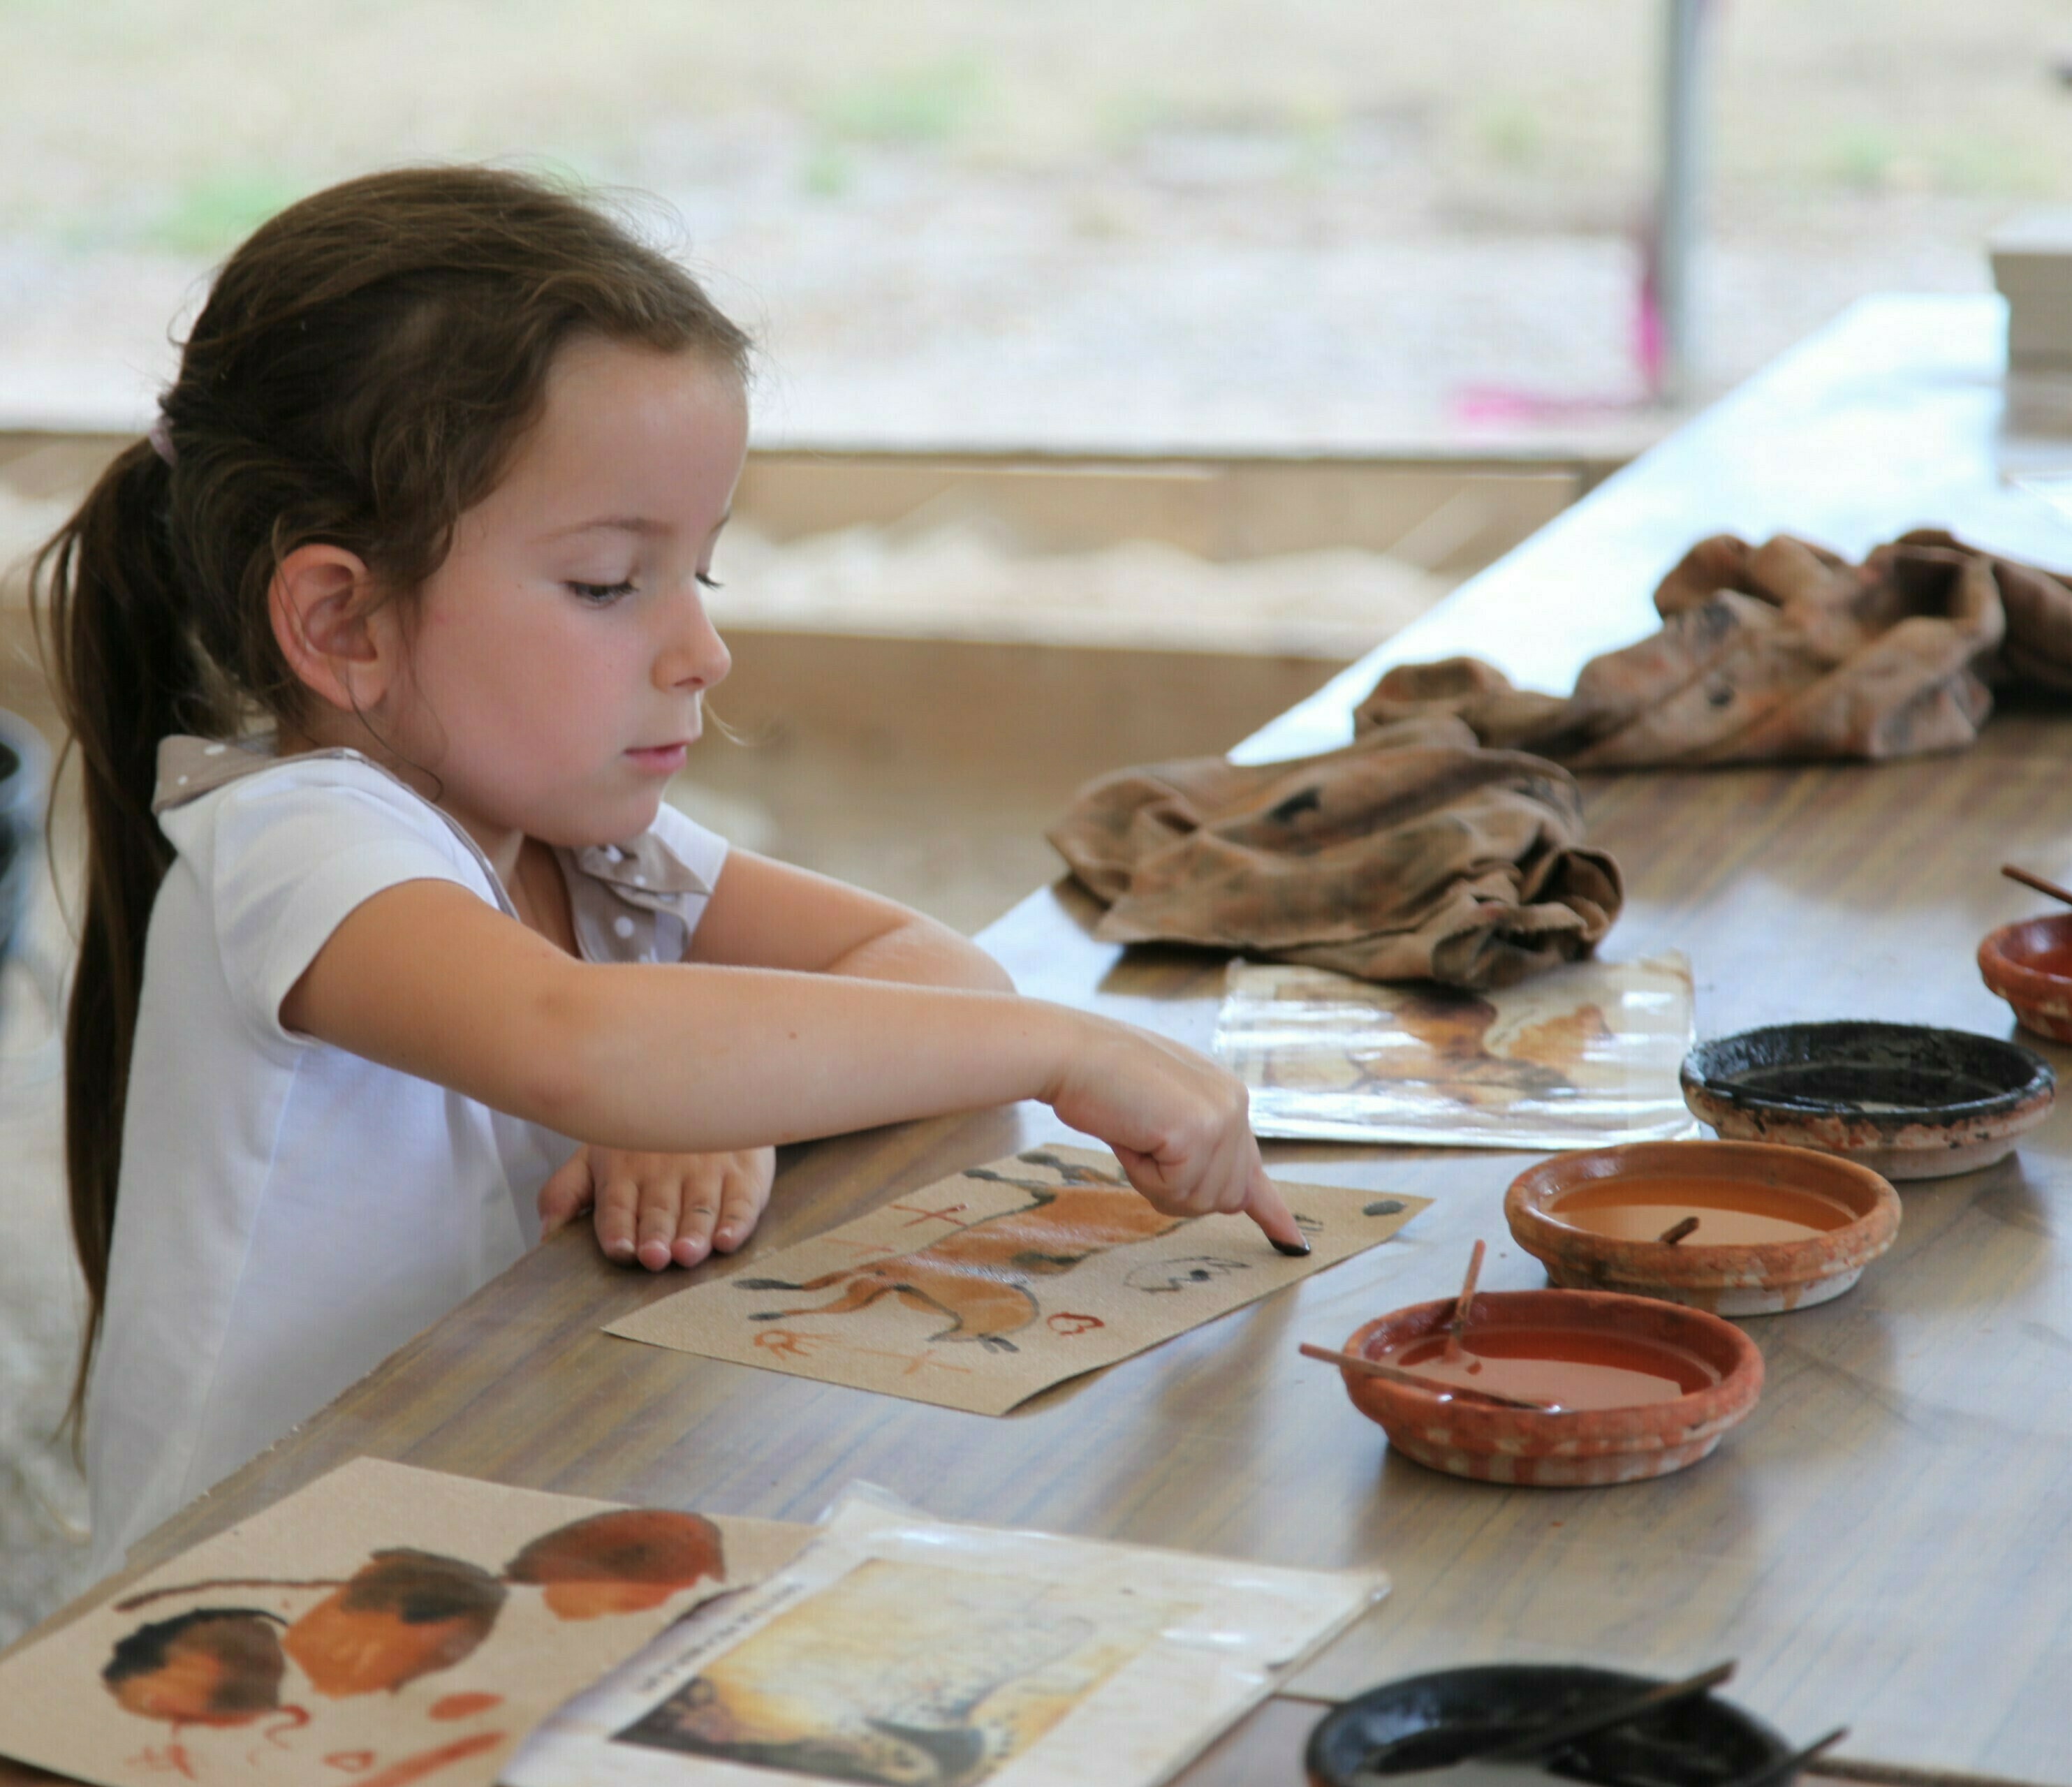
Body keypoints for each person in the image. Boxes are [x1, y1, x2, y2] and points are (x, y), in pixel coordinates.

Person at [34, 166, 1302, 1578]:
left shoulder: (580, 838)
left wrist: (727, 1108)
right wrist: (1069, 1049)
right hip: (252, 1610)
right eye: (605, 584)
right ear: (343, 621)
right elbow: (574, 1043)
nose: (701, 650)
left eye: (704, 571)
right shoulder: (299, 836)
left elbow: (932, 965)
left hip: (501, 1514)